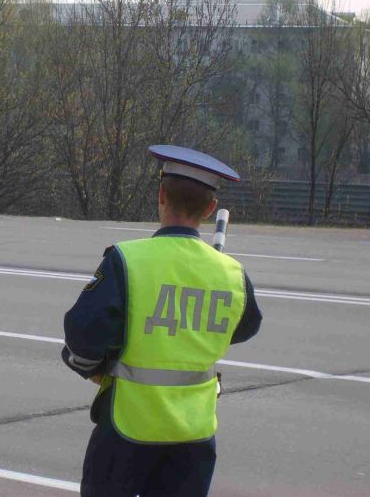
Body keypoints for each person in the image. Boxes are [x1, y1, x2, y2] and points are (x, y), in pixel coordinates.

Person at [62, 145, 263, 497]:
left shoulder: (127, 259)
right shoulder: (232, 273)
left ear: (161, 194)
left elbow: (83, 333)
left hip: (128, 427)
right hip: (194, 433)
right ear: (211, 208)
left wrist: (91, 364)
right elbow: (246, 326)